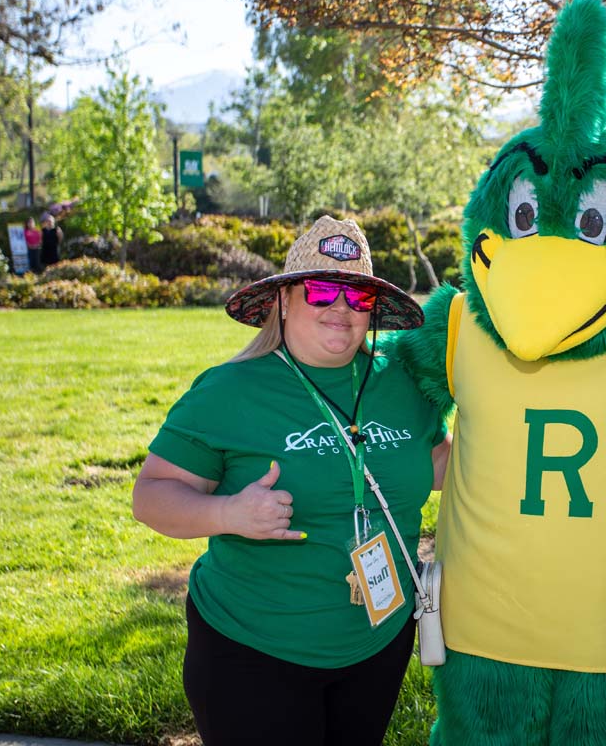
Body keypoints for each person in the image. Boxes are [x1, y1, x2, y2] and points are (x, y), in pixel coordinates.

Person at [133, 216, 450, 746]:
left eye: (358, 296)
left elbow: (437, 464)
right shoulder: (229, 390)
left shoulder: (400, 381)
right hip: (253, 650)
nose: (341, 309)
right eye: (323, 290)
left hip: (378, 641)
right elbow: (151, 496)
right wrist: (227, 514)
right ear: (282, 300)